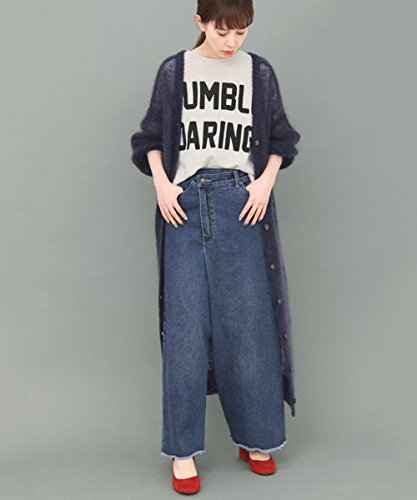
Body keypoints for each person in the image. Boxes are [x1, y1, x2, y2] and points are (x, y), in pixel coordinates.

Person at [130, 0, 301, 493]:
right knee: (185, 329)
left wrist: (265, 183)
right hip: (183, 205)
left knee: (248, 327)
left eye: (241, 31)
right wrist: (162, 186)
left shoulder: (258, 73)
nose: (231, 42)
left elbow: (281, 139)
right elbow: (149, 138)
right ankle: (183, 451)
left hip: (241, 202)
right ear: (200, 22)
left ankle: (256, 437)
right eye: (223, 30)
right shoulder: (175, 71)